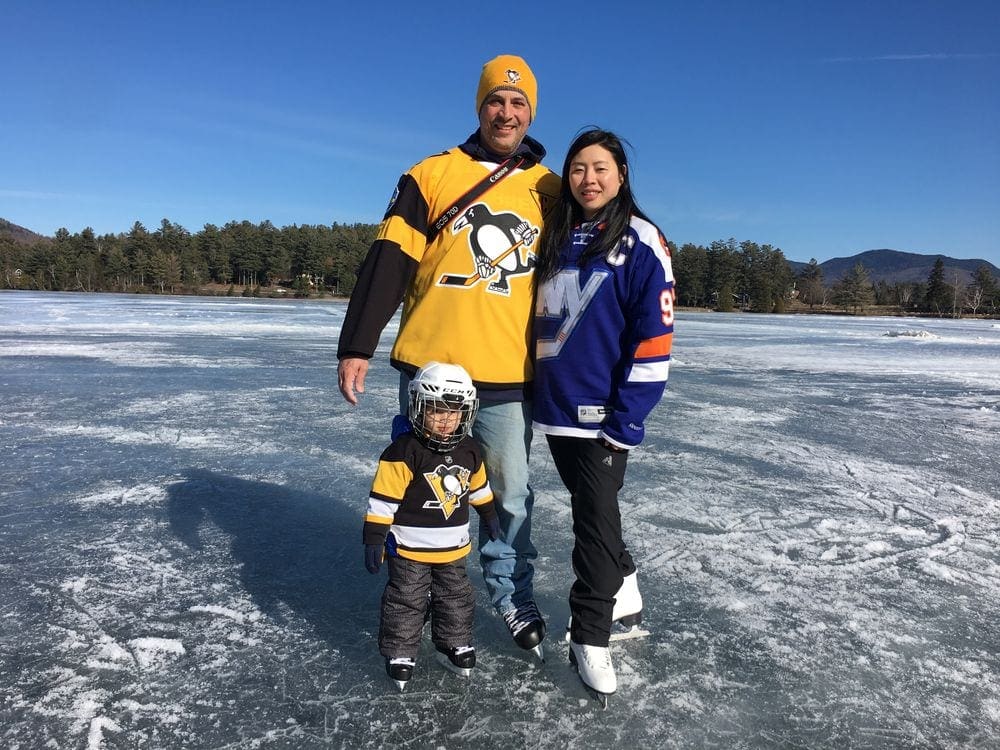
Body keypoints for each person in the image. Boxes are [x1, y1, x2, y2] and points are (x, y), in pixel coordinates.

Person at [338, 54, 561, 660]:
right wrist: (358, 343)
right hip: (431, 371)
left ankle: (511, 594)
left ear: (530, 113)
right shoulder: (431, 174)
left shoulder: (550, 189)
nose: (506, 112)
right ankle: (413, 591)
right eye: (496, 100)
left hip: (508, 374)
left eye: (519, 104)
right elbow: (390, 260)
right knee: (422, 484)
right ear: (480, 106)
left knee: (508, 494)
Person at [531, 129, 675, 704]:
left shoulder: (641, 240)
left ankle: (589, 634)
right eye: (578, 169)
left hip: (601, 419)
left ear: (621, 175)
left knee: (591, 522)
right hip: (556, 410)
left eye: (600, 169)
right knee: (597, 511)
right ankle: (628, 587)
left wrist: (626, 420)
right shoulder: (558, 235)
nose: (588, 180)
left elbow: (654, 338)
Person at [363, 362, 501, 690]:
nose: (446, 420)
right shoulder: (403, 452)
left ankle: (453, 642)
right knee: (406, 597)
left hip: (452, 547)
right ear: (418, 407)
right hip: (409, 547)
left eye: (454, 413)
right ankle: (400, 650)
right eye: (437, 411)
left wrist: (490, 513)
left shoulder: (470, 450)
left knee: (456, 595)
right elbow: (383, 500)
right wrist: (374, 537)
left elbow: (478, 487)